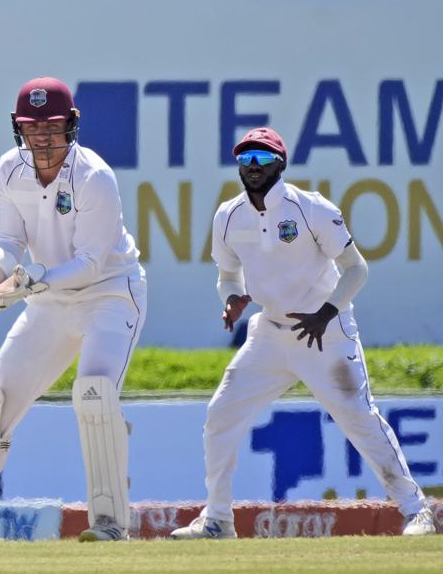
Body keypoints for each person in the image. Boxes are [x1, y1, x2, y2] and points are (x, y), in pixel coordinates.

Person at [170, 127, 437, 539]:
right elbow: (227, 275)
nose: (252, 168)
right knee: (221, 415)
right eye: (245, 160)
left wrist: (326, 312)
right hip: (270, 335)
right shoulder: (228, 215)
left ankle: (416, 511)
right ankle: (218, 519)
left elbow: (356, 268)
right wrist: (233, 299)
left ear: (280, 163)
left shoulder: (311, 208)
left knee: (360, 420)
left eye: (261, 159)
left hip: (326, 334)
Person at [0, 77, 146, 542]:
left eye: (53, 126)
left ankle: (111, 526)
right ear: (18, 129)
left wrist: (33, 280)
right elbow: (8, 242)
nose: (43, 138)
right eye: (32, 128)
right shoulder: (8, 170)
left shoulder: (94, 177)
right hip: (48, 300)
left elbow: (92, 261)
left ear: (71, 125)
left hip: (109, 294)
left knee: (94, 393)